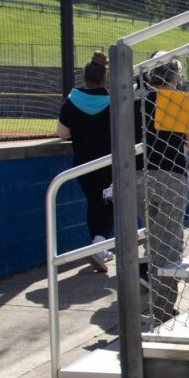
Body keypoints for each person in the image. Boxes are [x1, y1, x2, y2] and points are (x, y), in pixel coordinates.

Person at [136, 52, 189, 325]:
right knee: (169, 244)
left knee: (152, 238)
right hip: (170, 175)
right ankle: (162, 310)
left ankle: (154, 304)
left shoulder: (135, 102)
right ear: (175, 77)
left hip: (137, 175)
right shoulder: (180, 102)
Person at [56, 52, 113, 272]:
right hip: (107, 162)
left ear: (85, 76)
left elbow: (62, 133)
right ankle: (99, 244)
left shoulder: (71, 100)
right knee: (110, 201)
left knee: (94, 202)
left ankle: (99, 245)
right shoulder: (112, 102)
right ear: (104, 78)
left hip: (82, 162)